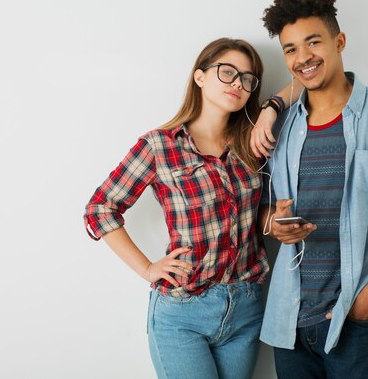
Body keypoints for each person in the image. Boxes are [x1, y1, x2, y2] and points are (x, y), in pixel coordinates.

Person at [250, 0, 368, 379]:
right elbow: (264, 212)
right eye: (291, 49)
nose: (303, 58)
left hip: (355, 315)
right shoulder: (282, 125)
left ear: (339, 41)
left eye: (313, 42)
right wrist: (276, 225)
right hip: (291, 320)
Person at [83, 38, 268, 379]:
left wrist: (270, 108)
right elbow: (100, 209)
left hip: (246, 307)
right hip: (183, 313)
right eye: (227, 72)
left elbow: (258, 215)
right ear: (199, 77)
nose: (237, 84)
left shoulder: (251, 143)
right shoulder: (160, 145)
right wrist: (147, 268)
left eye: (247, 78)